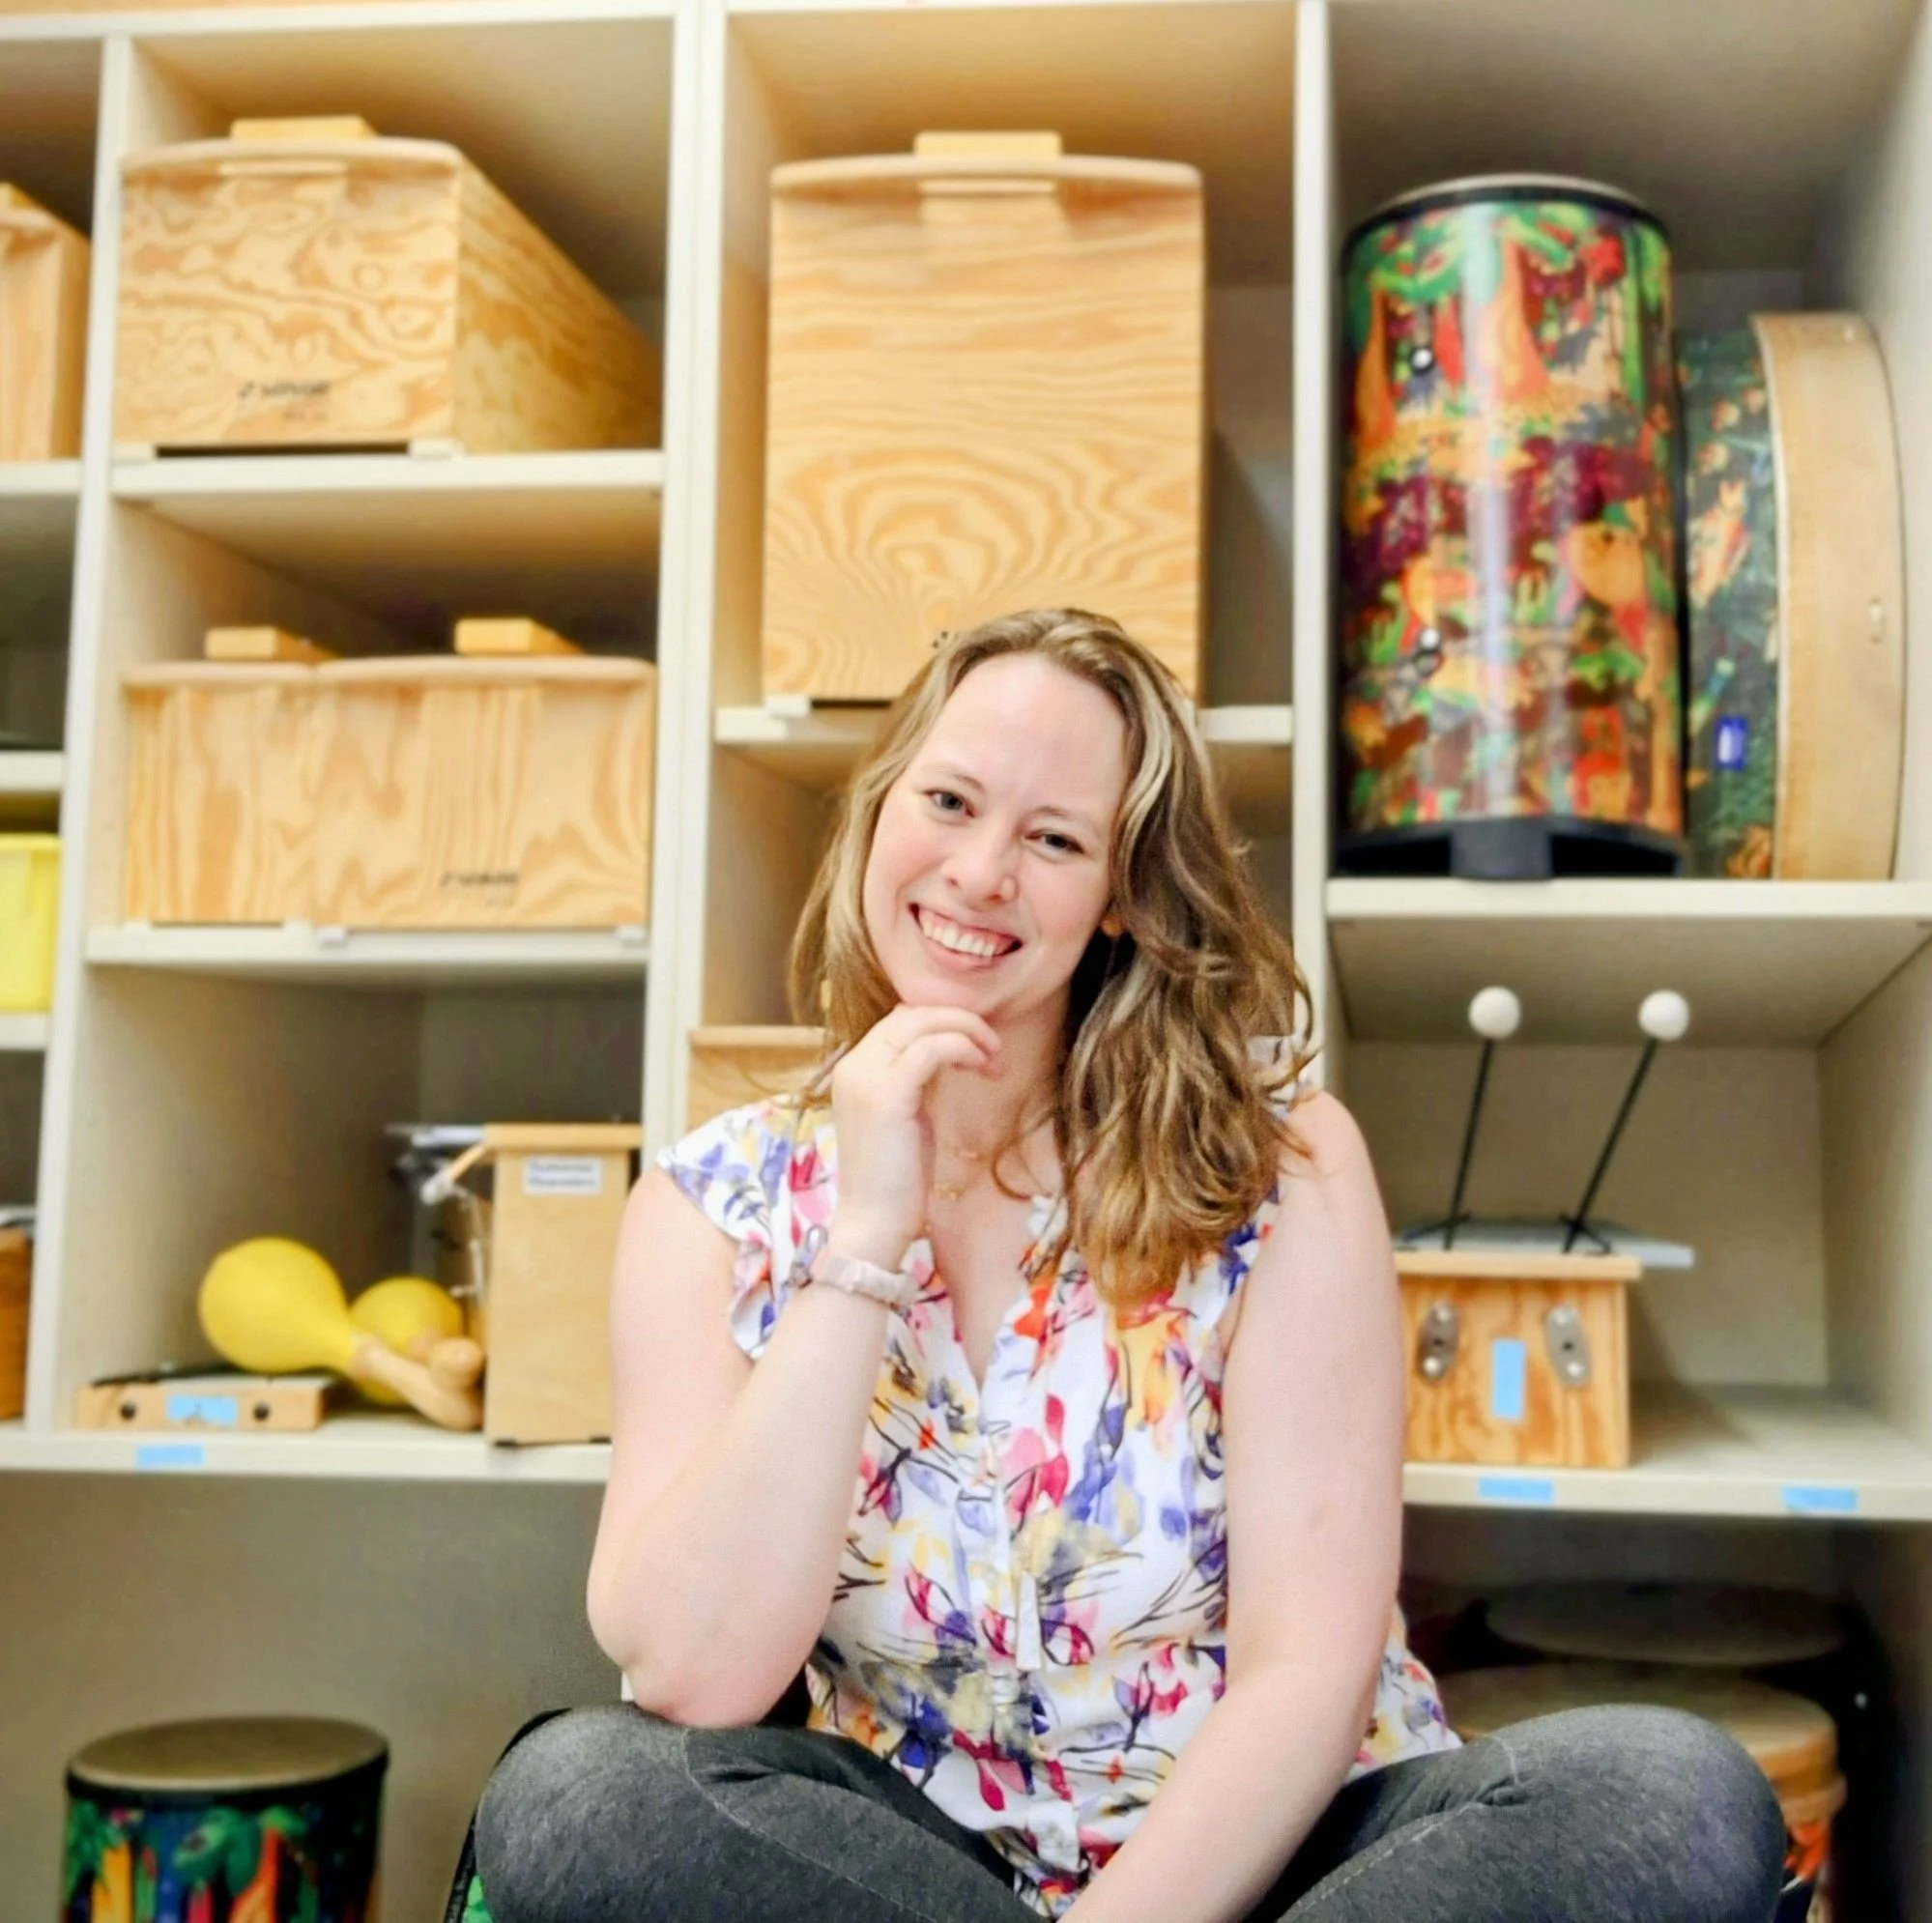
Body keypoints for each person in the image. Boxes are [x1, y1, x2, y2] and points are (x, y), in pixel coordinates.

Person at [476, 609, 1788, 1922]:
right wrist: (863, 1246)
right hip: (907, 1872)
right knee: (572, 1792)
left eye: (1053, 837)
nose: (981, 869)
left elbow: (1304, 1666)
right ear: (880, 814)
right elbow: (693, 1676)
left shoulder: (1278, 1164)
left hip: (1291, 1864)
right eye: (948, 799)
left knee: (1668, 1794)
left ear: (1116, 895)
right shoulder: (710, 1205)